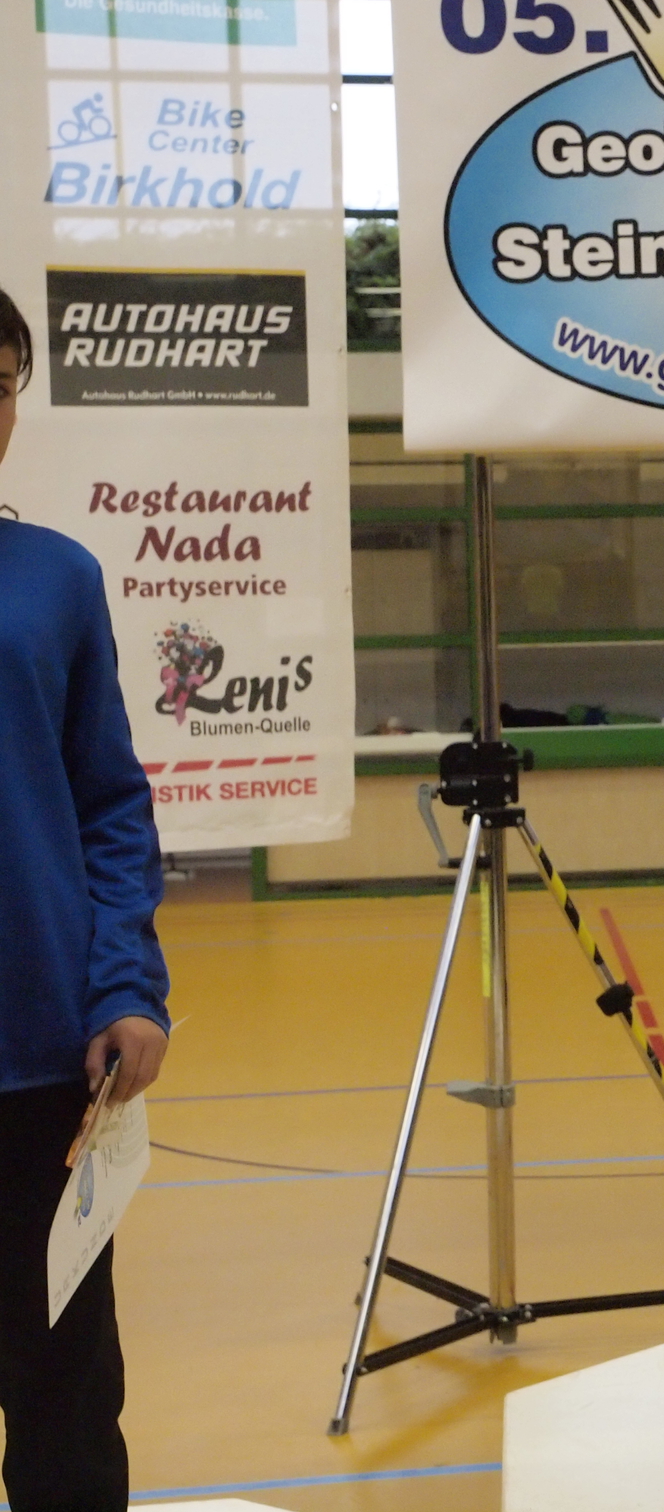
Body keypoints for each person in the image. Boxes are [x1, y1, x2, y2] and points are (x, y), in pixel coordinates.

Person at [0, 284, 171, 1510]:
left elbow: (110, 804)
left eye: (0, 386)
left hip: (43, 1071)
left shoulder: (56, 578)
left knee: (65, 1403)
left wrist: (126, 986)